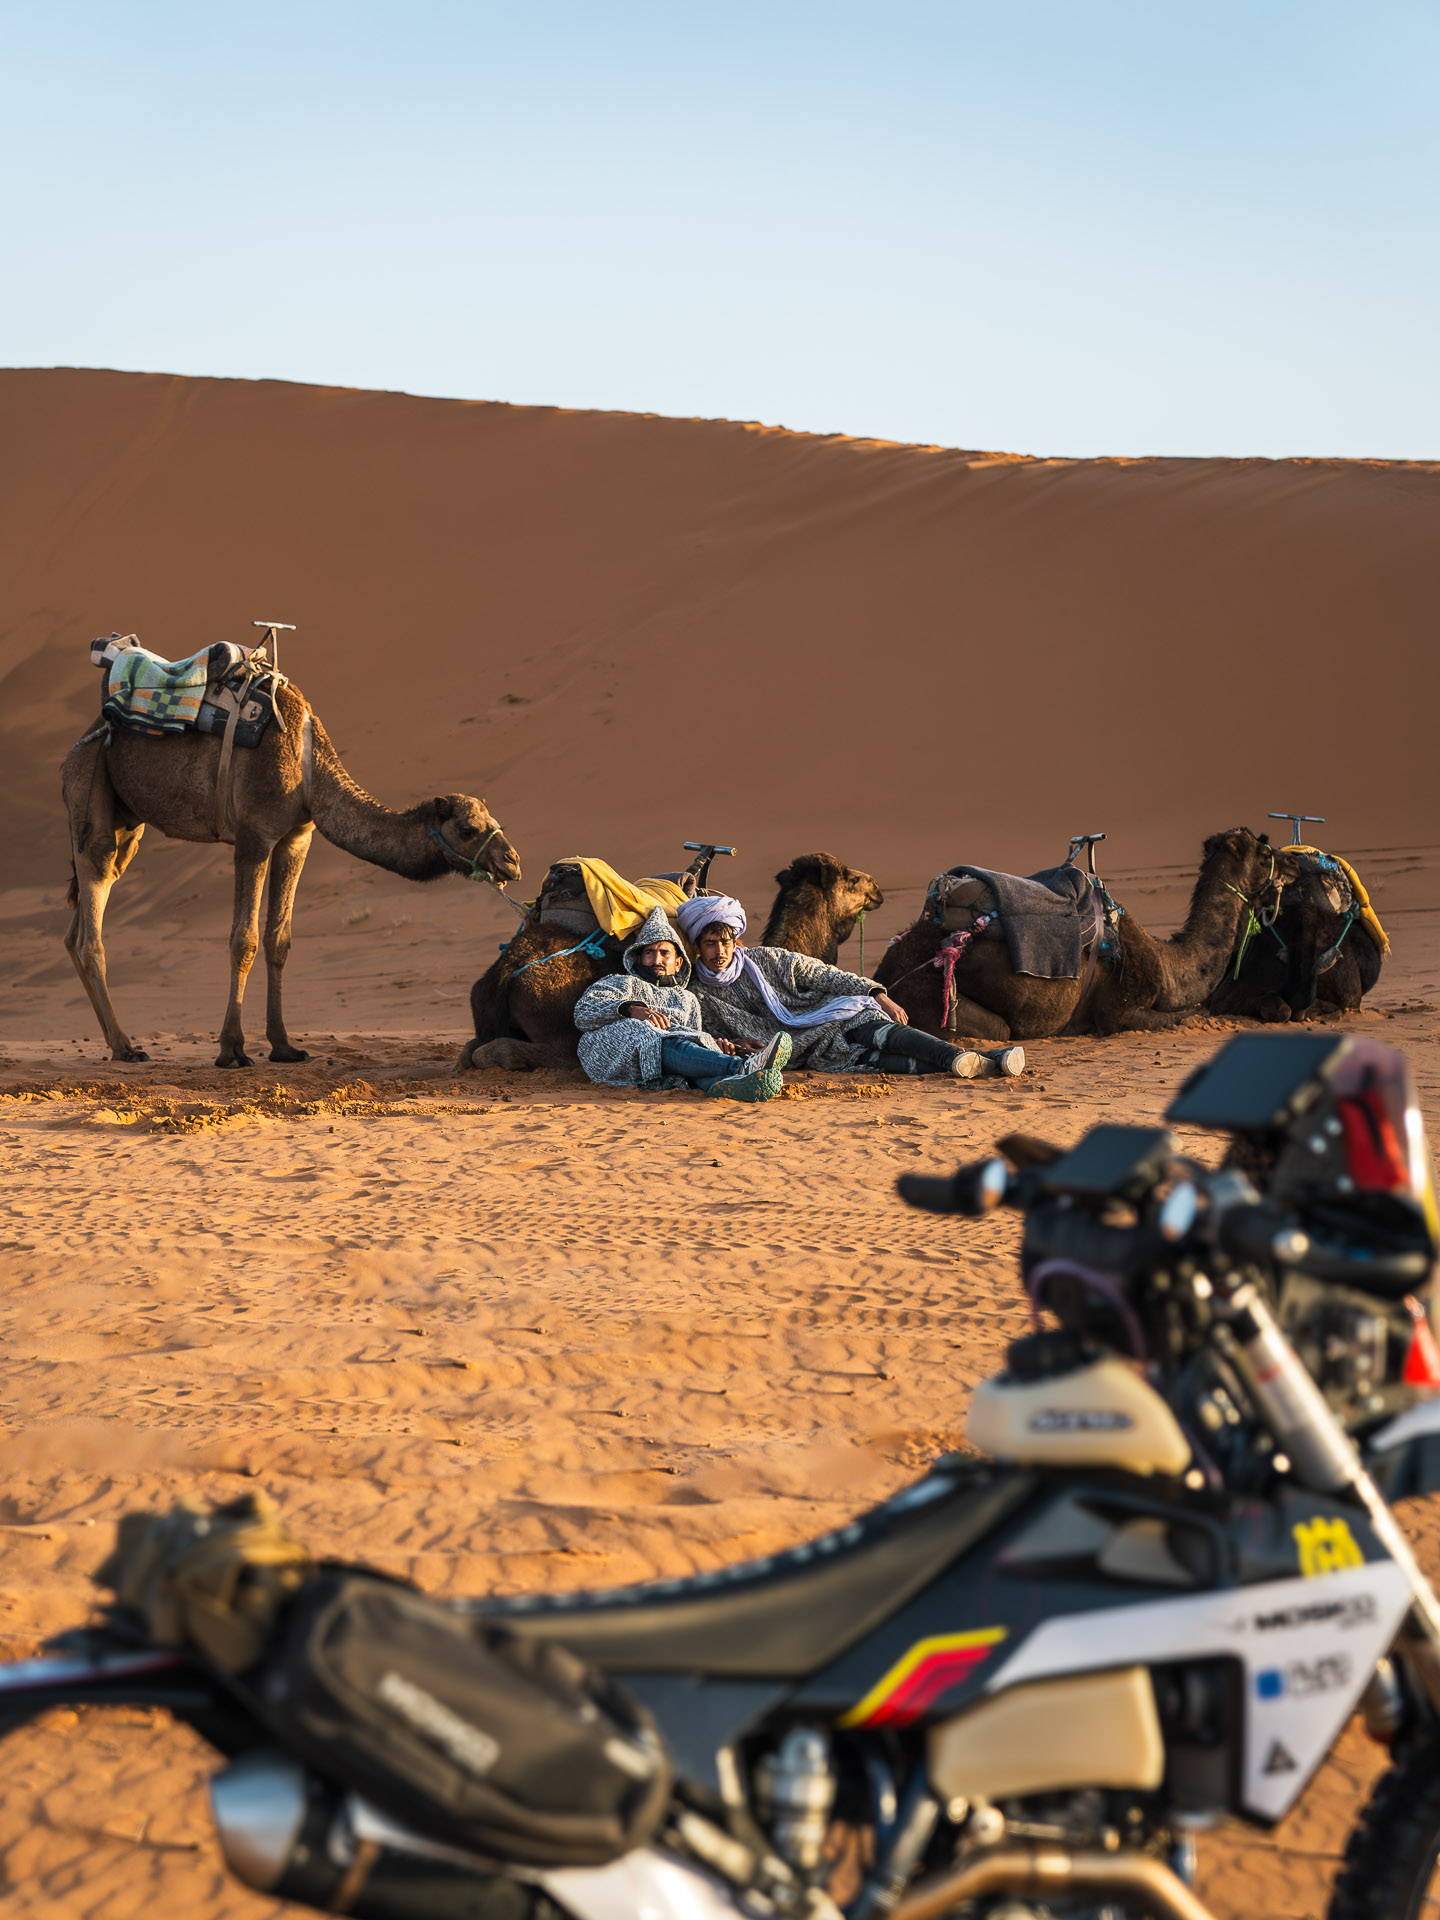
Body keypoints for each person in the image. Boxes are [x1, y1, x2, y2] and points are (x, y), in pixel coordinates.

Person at [673, 894, 1024, 1080]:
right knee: (876, 1062)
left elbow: (825, 975)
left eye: (725, 942)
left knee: (877, 1031)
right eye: (709, 944)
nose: (719, 952)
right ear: (697, 946)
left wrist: (877, 993)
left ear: (736, 939)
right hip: (800, 1051)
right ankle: (987, 1062)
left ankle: (961, 1058)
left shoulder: (767, 959)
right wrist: (733, 1043)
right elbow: (707, 1036)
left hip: (830, 1014)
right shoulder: (698, 995)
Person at [574, 904, 792, 1102]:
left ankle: (732, 1086)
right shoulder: (620, 982)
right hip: (617, 1056)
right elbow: (583, 1012)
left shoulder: (687, 999)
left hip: (665, 1065)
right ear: (638, 959)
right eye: (649, 952)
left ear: (678, 963)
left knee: (690, 1057)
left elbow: (691, 1040)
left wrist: (723, 1044)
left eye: (664, 953)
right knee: (656, 1037)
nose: (657, 959)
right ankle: (743, 1067)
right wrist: (633, 1010)